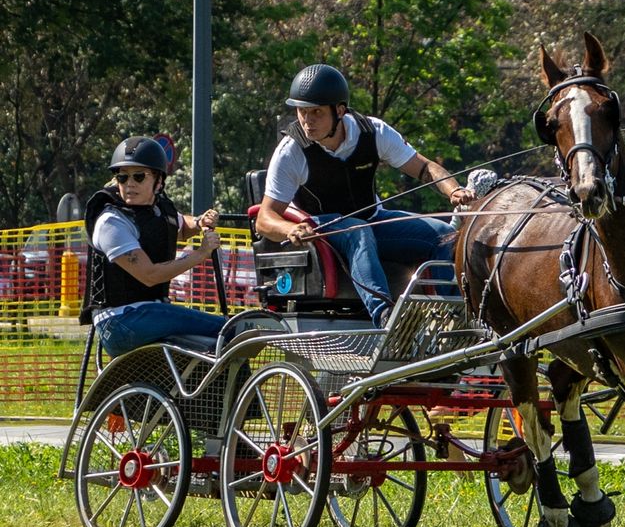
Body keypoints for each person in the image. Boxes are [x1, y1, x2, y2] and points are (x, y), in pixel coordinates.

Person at [253, 63, 475, 325]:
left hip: (371, 221)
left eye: (316, 112)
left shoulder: (373, 132)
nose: (307, 121)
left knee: (445, 236)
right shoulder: (291, 151)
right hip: (322, 232)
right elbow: (264, 219)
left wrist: (453, 190)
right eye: (302, 111)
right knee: (358, 232)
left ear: (339, 111)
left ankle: (451, 318)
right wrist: (290, 229)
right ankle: (386, 318)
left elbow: (425, 168)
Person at [82, 136, 226, 356]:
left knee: (216, 345)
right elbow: (149, 275)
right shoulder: (111, 222)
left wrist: (199, 222)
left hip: (150, 314)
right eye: (122, 177)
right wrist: (200, 254)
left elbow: (180, 226)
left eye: (139, 176)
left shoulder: (159, 210)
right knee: (227, 329)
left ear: (158, 181)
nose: (129, 184)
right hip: (120, 322)